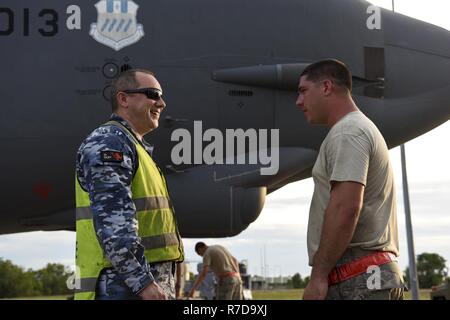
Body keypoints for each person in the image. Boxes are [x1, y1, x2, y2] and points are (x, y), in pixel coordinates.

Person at [296, 59, 405, 300]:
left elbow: (345, 209)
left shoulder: (348, 132)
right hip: (370, 277)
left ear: (326, 87)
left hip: (357, 281)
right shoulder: (357, 129)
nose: (299, 101)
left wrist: (318, 277)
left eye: (303, 91)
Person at [75, 68, 184, 300]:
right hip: (123, 287)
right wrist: (142, 283)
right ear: (123, 99)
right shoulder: (109, 142)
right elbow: (114, 223)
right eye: (152, 94)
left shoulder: (134, 146)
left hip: (137, 285)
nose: (161, 103)